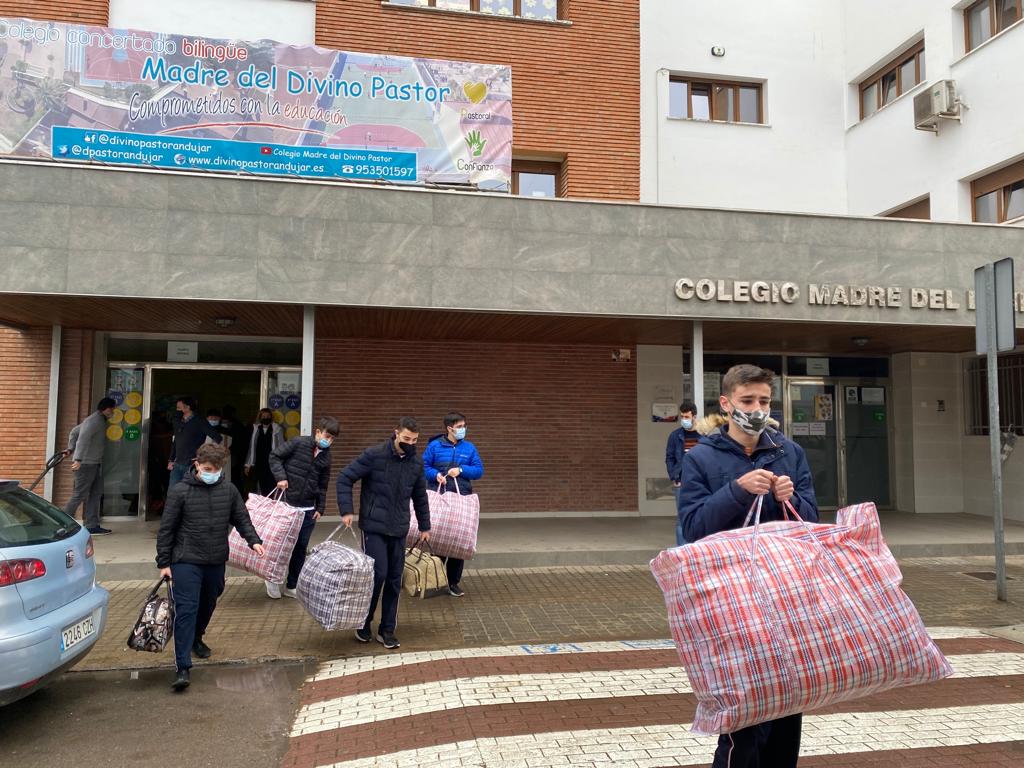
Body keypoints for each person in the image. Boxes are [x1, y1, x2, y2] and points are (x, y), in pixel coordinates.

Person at [678, 364, 818, 768]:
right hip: (731, 599)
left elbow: (810, 522)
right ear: (726, 404)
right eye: (747, 401)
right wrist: (736, 491)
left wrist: (791, 498)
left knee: (788, 701)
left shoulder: (789, 452)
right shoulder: (701, 458)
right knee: (744, 710)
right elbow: (693, 528)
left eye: (764, 401)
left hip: (785, 594)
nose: (757, 409)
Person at [156, 443, 265, 692]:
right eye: (206, 468)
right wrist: (163, 562)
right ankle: (182, 666)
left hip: (215, 558)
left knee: (210, 600)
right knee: (186, 609)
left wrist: (254, 540)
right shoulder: (180, 491)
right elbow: (167, 529)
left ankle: (196, 636)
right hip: (185, 559)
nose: (211, 473)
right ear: (197, 464)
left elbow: (241, 518)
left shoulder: (228, 490)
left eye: (215, 469)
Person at [337, 416, 430, 650]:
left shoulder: (416, 464)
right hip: (373, 527)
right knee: (377, 575)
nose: (410, 443)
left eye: (415, 440)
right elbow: (345, 478)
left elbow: (420, 496)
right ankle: (363, 623)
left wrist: (425, 526)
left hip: (399, 528)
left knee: (394, 579)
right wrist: (347, 511)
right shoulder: (374, 455)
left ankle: (387, 629)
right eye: (407, 438)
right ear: (396, 433)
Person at [264, 416, 340, 599]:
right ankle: (273, 579)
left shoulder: (326, 457)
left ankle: (292, 584)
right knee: (281, 545)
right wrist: (281, 477)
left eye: (332, 438)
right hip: (287, 504)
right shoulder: (298, 443)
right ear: (318, 432)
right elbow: (274, 456)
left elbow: (323, 484)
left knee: (300, 547)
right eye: (326, 435)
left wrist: (320, 508)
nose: (327, 440)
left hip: (307, 508)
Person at [421, 411, 484, 597]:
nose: (463, 430)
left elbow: (479, 470)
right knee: (438, 538)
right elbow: (423, 467)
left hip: (461, 498)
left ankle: (453, 583)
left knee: (457, 540)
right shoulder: (434, 446)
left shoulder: (469, 448)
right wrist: (435, 475)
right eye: (459, 427)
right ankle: (435, 582)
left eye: (464, 426)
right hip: (439, 497)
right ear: (449, 428)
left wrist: (462, 470)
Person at [64, 397, 117, 535]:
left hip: (95, 463)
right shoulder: (93, 421)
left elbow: (74, 432)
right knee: (79, 495)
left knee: (96, 493)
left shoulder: (99, 420)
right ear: (106, 409)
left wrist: (70, 448)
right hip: (85, 464)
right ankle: (63, 523)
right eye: (112, 409)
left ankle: (92, 525)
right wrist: (77, 458)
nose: (113, 412)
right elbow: (82, 439)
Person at [167, 397, 222, 489]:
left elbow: (217, 438)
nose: (177, 410)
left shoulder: (199, 421)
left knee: (191, 493)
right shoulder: (178, 421)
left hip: (192, 465)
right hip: (177, 464)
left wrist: (205, 455)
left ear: (187, 408)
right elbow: (176, 441)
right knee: (173, 493)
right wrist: (171, 460)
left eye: (179, 408)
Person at [665, 401, 699, 546]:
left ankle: (695, 549)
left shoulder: (703, 436)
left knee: (700, 515)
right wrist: (674, 477)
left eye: (687, 416)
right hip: (681, 482)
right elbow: (669, 457)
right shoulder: (675, 436)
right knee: (682, 518)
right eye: (682, 416)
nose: (684, 419)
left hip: (699, 482)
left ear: (694, 416)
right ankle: (682, 551)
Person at [245, 407, 284, 495]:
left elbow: (281, 446)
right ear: (260, 417)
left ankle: (270, 504)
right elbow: (252, 447)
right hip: (258, 462)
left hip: (272, 462)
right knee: (258, 485)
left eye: (268, 416)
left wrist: (281, 462)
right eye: (263, 416)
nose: (266, 418)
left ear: (271, 417)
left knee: (271, 485)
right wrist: (248, 464)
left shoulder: (277, 429)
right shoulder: (256, 429)